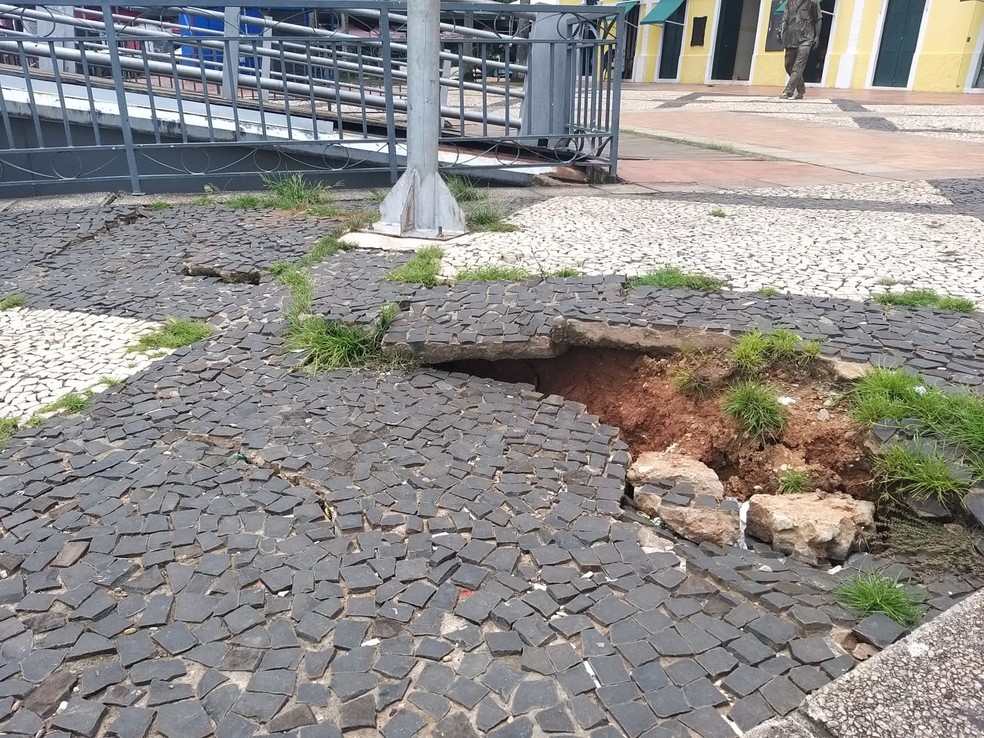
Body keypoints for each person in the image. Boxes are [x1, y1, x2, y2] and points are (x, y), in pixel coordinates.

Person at [778, 0, 822, 100]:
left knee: (798, 66)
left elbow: (818, 19)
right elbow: (785, 19)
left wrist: (817, 37)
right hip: (790, 38)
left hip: (806, 39)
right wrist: (782, 32)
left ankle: (788, 91)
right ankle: (801, 88)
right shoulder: (789, 2)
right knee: (788, 65)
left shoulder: (812, 2)